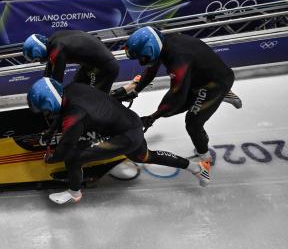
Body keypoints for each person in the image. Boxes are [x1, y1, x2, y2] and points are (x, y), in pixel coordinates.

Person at [27, 77, 211, 205]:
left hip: (124, 136)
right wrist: (51, 130)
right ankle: (197, 168)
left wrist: (51, 158)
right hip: (131, 122)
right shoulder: (73, 87)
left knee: (74, 158)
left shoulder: (74, 117)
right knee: (145, 156)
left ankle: (74, 193)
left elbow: (65, 148)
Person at [122, 27, 242, 166]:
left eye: (141, 57)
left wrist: (153, 116)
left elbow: (177, 94)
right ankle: (224, 94)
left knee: (193, 122)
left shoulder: (179, 59)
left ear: (150, 48)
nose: (141, 61)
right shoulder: (165, 42)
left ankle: (205, 157)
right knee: (171, 111)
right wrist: (136, 91)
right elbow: (151, 69)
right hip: (202, 76)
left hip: (214, 84)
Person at [23, 30, 119, 92]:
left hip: (105, 69)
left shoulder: (57, 50)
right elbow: (48, 71)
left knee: (93, 102)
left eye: (37, 59)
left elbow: (56, 82)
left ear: (39, 51)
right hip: (92, 66)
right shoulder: (53, 40)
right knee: (74, 91)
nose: (40, 62)